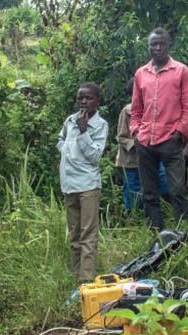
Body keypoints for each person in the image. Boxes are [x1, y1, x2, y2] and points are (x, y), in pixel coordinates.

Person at [131, 27, 188, 231]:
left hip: (170, 139)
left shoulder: (180, 70)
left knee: (177, 189)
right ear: (148, 47)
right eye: (153, 44)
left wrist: (180, 132)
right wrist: (135, 131)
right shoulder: (141, 73)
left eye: (161, 44)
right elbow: (136, 108)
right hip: (145, 141)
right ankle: (156, 234)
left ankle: (181, 234)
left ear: (168, 45)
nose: (157, 48)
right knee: (149, 192)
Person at [58, 83, 108, 283]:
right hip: (69, 184)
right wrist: (66, 152)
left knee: (88, 234)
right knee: (74, 234)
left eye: (88, 98)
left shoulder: (100, 124)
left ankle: (86, 280)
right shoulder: (70, 120)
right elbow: (60, 140)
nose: (84, 102)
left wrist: (84, 131)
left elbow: (95, 156)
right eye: (81, 98)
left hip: (88, 185)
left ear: (97, 101)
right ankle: (75, 276)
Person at [115, 77, 170, 214]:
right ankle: (133, 222)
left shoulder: (156, 109)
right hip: (132, 161)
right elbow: (121, 137)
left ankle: (167, 216)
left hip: (155, 158)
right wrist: (136, 143)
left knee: (165, 187)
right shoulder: (127, 112)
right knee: (134, 195)